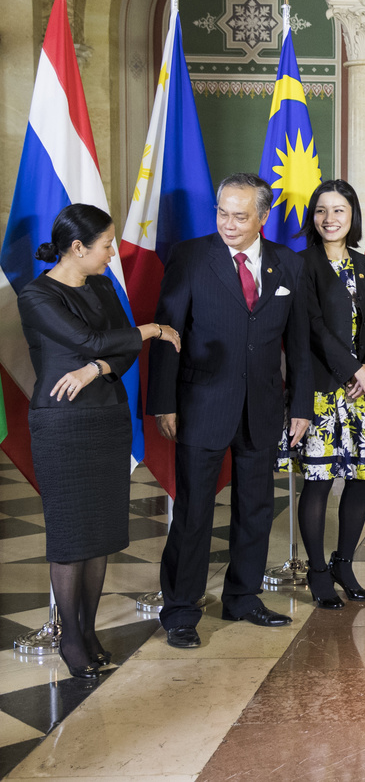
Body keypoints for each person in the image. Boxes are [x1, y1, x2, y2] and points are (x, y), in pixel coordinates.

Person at [148, 173, 312, 649]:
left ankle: (242, 597)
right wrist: (164, 401)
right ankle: (180, 609)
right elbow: (167, 331)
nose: (229, 224)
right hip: (201, 404)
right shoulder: (191, 256)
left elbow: (297, 343)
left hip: (263, 407)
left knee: (257, 509)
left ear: (263, 217)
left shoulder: (287, 264)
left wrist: (300, 404)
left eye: (241, 216)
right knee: (195, 510)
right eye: (222, 213)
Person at [17, 204, 181, 677]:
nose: (112, 254)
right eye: (106, 245)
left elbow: (114, 351)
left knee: (102, 534)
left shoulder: (104, 284)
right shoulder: (37, 295)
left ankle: (88, 631)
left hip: (108, 420)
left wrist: (97, 369)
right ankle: (71, 638)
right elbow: (90, 338)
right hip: (63, 426)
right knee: (72, 538)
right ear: (77, 248)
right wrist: (150, 330)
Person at [277, 180, 365, 608]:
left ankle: (344, 563)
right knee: (319, 483)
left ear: (352, 216)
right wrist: (354, 368)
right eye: (321, 210)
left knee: (360, 480)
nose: (329, 219)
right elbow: (314, 330)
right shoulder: (301, 263)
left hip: (361, 391)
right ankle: (318, 570)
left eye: (338, 210)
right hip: (322, 390)